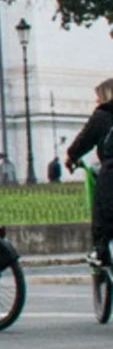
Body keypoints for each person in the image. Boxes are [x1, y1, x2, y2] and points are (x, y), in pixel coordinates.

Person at [62, 79, 113, 265]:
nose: (96, 102)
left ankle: (100, 253)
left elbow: (82, 142)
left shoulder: (102, 115)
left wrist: (71, 157)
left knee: (103, 214)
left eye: (98, 98)